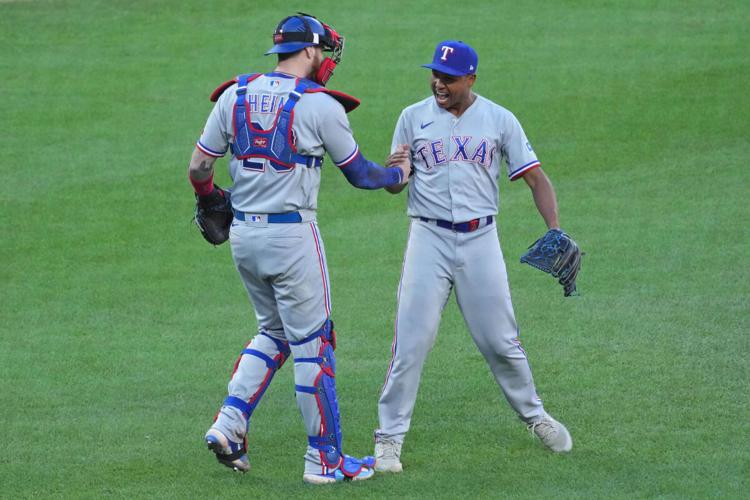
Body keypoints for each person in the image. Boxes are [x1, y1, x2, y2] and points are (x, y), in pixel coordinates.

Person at [187, 13, 409, 484]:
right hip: (292, 238)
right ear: (309, 51)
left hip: (244, 238)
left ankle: (229, 422)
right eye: (323, 51)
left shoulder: (233, 95)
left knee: (273, 332)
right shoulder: (320, 106)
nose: (326, 60)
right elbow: (361, 174)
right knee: (314, 344)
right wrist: (399, 175)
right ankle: (324, 461)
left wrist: (210, 200)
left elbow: (199, 167)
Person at [373, 40, 573, 473]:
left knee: (501, 342)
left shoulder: (499, 120)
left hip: (481, 240)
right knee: (411, 342)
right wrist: (393, 174)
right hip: (427, 238)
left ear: (471, 79)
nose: (438, 83)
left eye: (448, 77)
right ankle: (388, 439)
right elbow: (396, 183)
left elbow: (536, 178)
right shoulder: (412, 117)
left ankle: (535, 417)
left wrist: (554, 228)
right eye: (435, 75)